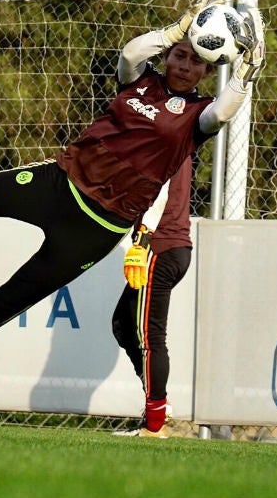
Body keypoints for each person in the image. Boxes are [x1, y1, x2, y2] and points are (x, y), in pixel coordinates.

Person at [0, 0, 265, 375]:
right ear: (168, 55)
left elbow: (224, 111)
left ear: (208, 70)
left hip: (98, 228)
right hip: (62, 184)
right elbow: (129, 54)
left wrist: (248, 69)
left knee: (19, 294)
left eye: (196, 60)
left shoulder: (197, 117)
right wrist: (177, 28)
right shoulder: (140, 81)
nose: (185, 64)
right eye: (180, 54)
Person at [112, 156, 194, 437]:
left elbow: (159, 187)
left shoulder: (168, 133)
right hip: (169, 247)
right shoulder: (171, 131)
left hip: (160, 247)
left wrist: (143, 238)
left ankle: (154, 424)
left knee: (150, 336)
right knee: (123, 323)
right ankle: (158, 400)